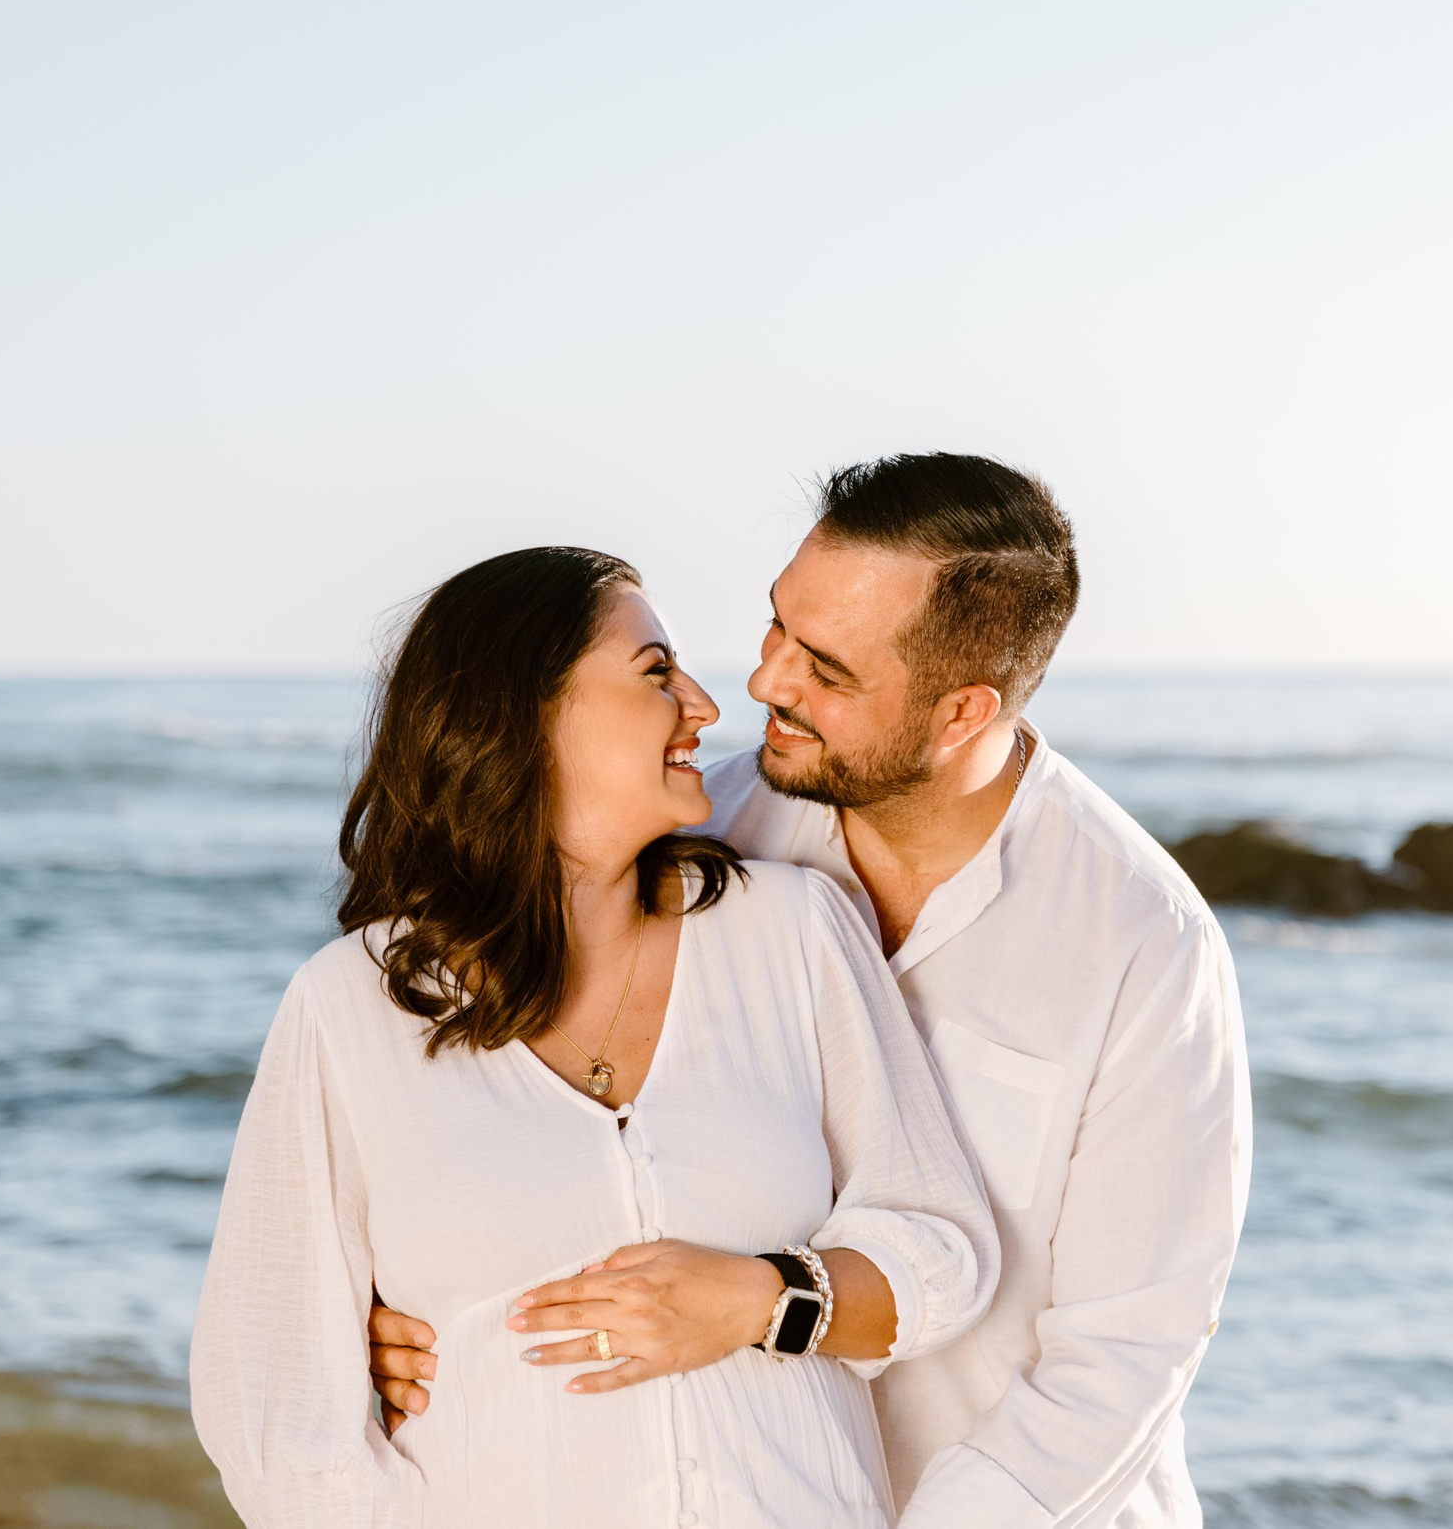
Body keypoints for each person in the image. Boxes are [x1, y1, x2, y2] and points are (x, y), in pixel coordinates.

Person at [370, 457, 1254, 1527]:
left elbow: (1125, 1353)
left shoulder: (1139, 944)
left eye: (825, 669)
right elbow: (504, 1104)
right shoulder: (698, 839)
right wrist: (399, 1307)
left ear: (960, 714)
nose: (765, 683)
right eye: (776, 626)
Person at [191, 545, 998, 1529]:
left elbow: (941, 1246)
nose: (703, 705)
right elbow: (277, 1408)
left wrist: (764, 1297)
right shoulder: (349, 1006)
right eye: (656, 673)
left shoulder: (792, 929)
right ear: (524, 715)